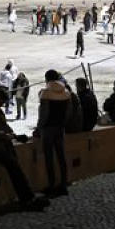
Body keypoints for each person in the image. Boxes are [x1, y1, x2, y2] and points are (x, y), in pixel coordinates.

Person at [0, 89, 49, 209]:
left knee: (16, 166)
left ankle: (27, 196)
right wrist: (5, 135)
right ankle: (28, 198)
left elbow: (3, 124)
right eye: (0, 102)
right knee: (13, 166)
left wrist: (13, 135)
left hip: (1, 142)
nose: (1, 105)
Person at [34, 70, 71, 198]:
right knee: (62, 156)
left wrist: (39, 128)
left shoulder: (45, 93)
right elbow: (68, 113)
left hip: (48, 129)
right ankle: (63, 185)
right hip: (60, 127)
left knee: (49, 158)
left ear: (47, 79)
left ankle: (51, 185)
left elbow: (43, 115)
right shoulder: (66, 93)